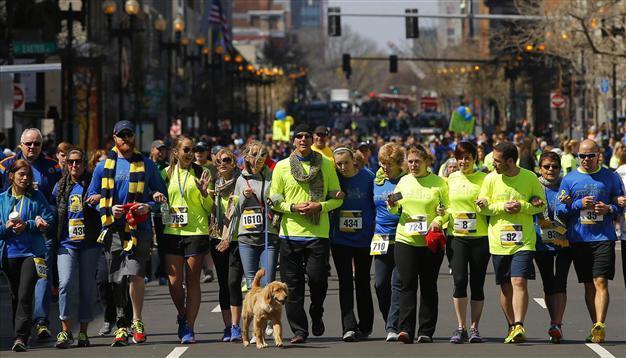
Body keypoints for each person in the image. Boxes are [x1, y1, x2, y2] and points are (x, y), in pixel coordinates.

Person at [87, 120, 167, 346]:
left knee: (135, 274)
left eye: (129, 135)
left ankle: (137, 321)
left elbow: (161, 196)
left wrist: (148, 206)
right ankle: (122, 323)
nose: (125, 139)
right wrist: (107, 207)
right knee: (116, 278)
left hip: (138, 228)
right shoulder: (103, 166)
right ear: (114, 138)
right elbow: (90, 197)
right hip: (113, 229)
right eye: (121, 135)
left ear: (134, 137)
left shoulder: (146, 164)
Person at [269, 124, 343, 344]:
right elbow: (275, 199)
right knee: (291, 286)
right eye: (298, 136)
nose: (303, 139)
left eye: (307, 136)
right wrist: (292, 208)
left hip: (317, 234)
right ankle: (299, 331)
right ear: (293, 141)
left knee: (318, 280)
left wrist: (319, 207)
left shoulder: (326, 165)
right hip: (289, 235)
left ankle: (317, 311)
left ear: (312, 140)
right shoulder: (281, 167)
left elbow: (337, 198)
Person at [477, 141, 545, 344]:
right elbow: (482, 207)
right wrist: (501, 207)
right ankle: (511, 326)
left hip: (524, 240)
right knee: (506, 287)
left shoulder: (530, 177)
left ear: (509, 161)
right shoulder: (490, 179)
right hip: (498, 241)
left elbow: (539, 205)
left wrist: (523, 206)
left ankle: (519, 324)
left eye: (496, 161)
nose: (493, 165)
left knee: (519, 281)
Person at [556, 139, 622, 343]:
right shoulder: (569, 179)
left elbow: (620, 204)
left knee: (600, 281)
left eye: (589, 156)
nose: (585, 159)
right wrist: (577, 204)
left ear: (598, 155)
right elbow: (559, 210)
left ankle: (600, 324)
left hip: (604, 237)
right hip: (579, 239)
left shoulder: (610, 177)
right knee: (588, 285)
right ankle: (595, 325)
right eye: (581, 156)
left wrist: (609, 209)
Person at [0, 128, 62, 340]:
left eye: (36, 143)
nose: (32, 147)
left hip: (41, 233)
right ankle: (22, 325)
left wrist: (44, 220)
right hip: (12, 239)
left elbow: (57, 201)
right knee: (17, 291)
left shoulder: (52, 167)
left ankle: (41, 320)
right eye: (28, 143)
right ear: (20, 144)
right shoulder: (6, 164)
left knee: (41, 278)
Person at [387, 144, 448, 344]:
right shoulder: (403, 182)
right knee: (407, 284)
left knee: (429, 285)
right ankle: (405, 330)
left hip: (429, 241)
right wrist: (392, 204)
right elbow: (394, 210)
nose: (413, 165)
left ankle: (426, 330)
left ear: (427, 162)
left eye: (417, 161)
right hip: (406, 239)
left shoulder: (439, 183)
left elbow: (447, 210)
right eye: (410, 161)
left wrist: (438, 222)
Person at [161, 136, 212, 344]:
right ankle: (182, 313)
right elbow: (156, 199)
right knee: (174, 282)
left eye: (193, 150)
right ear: (176, 152)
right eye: (186, 150)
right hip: (172, 231)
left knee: (192, 281)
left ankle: (189, 328)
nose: (190, 153)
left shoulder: (202, 173)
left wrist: (204, 193)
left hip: (196, 231)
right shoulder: (165, 174)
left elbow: (210, 208)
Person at [52, 148, 102, 348]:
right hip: (66, 244)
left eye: (78, 162)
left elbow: (105, 206)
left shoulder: (93, 184)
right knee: (65, 283)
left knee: (86, 288)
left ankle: (82, 333)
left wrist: (98, 200)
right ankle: (65, 331)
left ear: (84, 163)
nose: (74, 165)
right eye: (71, 162)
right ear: (66, 163)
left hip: (89, 243)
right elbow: (52, 211)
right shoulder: (60, 186)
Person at [444, 142, 490, 344]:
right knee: (460, 280)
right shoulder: (450, 179)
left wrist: (485, 203)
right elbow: (444, 205)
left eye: (467, 158)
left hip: (480, 237)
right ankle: (461, 326)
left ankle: (475, 328)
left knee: (477, 283)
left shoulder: (484, 179)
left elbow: (491, 203)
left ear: (474, 159)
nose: (463, 162)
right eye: (460, 158)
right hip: (457, 237)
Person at [331, 146, 375, 342]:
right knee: (345, 282)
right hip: (340, 239)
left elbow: (376, 204)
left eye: (346, 163)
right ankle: (348, 326)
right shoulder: (333, 178)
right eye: (338, 164)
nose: (342, 167)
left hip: (364, 238)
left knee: (363, 281)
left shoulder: (368, 177)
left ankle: (365, 325)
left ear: (354, 161)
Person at [534, 151, 572, 343]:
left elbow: (576, 207)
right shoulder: (534, 185)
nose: (551, 170)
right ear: (540, 168)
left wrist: (570, 202)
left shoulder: (566, 184)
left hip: (564, 239)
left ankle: (558, 323)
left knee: (561, 282)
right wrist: (532, 203)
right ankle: (553, 321)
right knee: (548, 284)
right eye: (546, 166)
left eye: (554, 166)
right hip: (542, 242)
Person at [209, 148, 244, 342]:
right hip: (216, 239)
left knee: (233, 282)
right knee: (223, 283)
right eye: (219, 161)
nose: (222, 164)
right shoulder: (215, 185)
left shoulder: (241, 182)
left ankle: (236, 325)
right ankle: (227, 327)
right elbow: (208, 209)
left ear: (233, 163)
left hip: (237, 239)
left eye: (227, 160)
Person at [372, 143, 405, 342]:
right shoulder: (376, 180)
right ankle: (389, 319)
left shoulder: (406, 181)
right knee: (380, 284)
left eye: (390, 164)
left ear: (399, 164)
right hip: (380, 238)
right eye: (383, 163)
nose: (385, 167)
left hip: (401, 237)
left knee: (397, 283)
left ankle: (393, 325)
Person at [193, 141, 217, 283]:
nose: (198, 152)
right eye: (196, 150)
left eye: (202, 150)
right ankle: (202, 269)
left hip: (210, 208)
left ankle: (208, 270)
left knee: (208, 242)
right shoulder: (191, 167)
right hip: (194, 209)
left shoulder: (212, 167)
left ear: (207, 152)